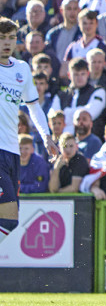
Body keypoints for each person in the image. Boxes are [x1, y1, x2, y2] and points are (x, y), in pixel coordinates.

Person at [0, 18, 57, 238]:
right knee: (7, 217)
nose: (7, 43)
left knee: (11, 222)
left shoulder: (22, 69)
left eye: (11, 38)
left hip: (11, 152)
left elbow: (33, 106)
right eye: (2, 38)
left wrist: (46, 136)